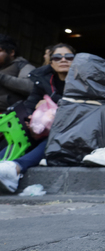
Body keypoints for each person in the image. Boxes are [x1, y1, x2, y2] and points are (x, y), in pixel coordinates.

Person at [0, 44, 75, 193]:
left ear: (75, 61)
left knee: (54, 136)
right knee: (21, 133)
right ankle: (5, 167)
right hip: (43, 128)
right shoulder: (42, 79)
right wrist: (30, 120)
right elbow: (30, 104)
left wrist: (51, 103)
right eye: (57, 57)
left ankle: (16, 167)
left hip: (71, 130)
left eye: (68, 57)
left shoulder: (83, 81)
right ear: (51, 62)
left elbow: (80, 105)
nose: (63, 60)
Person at [0, 34, 35, 113]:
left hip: (8, 117)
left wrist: (2, 78)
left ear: (12, 52)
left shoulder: (23, 66)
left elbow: (30, 86)